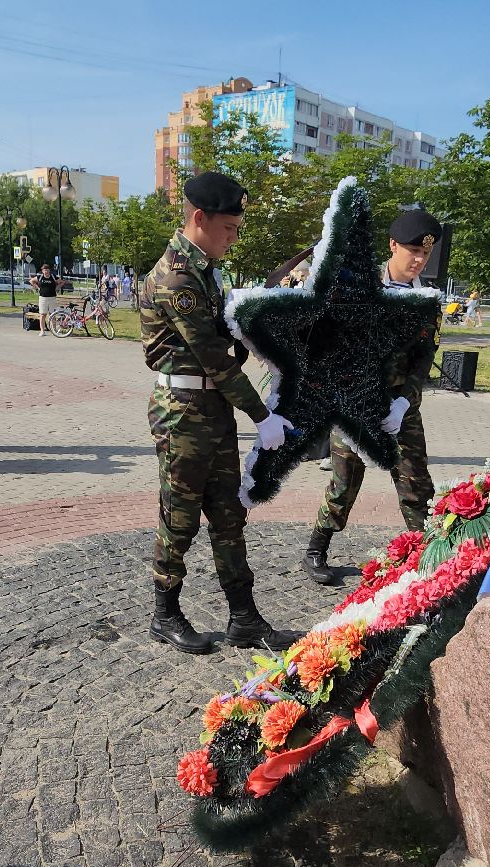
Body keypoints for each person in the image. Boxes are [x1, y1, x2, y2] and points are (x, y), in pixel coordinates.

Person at [140, 171, 298, 655]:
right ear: (199, 218)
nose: (234, 237)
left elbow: (225, 345)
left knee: (229, 516)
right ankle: (165, 614)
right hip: (183, 414)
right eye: (228, 228)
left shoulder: (207, 271)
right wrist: (261, 416)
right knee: (181, 517)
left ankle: (244, 619)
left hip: (212, 408)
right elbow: (212, 358)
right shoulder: (176, 278)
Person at [304, 208, 442, 585]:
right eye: (413, 250)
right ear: (393, 245)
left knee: (416, 484)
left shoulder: (427, 299)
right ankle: (316, 547)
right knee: (345, 481)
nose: (418, 260)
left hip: (400, 406)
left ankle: (431, 555)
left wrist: (404, 402)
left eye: (426, 254)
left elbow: (423, 359)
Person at [33, 264, 59, 336]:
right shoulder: (40, 277)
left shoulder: (53, 277)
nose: (46, 271)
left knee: (53, 314)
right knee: (42, 315)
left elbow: (61, 282)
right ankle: (42, 330)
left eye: (47, 270)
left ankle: (54, 330)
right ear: (42, 271)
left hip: (52, 298)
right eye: (45, 270)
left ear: (49, 270)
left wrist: (58, 288)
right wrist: (37, 288)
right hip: (43, 298)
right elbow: (31, 281)